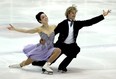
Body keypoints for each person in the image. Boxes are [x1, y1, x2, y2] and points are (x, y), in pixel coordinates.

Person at [32, 5, 111, 73]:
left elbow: (89, 22)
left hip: (71, 46)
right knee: (51, 61)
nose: (74, 14)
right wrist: (44, 40)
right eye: (72, 13)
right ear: (68, 14)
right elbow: (53, 33)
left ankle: (62, 66)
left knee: (76, 50)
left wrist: (102, 16)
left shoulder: (77, 24)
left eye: (75, 13)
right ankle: (38, 63)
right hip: (61, 46)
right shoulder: (62, 24)